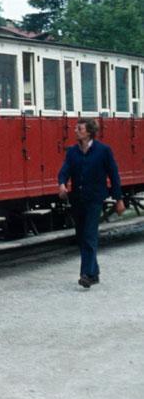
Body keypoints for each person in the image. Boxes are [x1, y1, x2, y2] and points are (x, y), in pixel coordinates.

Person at [58, 118, 125, 288]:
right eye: (76, 128)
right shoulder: (72, 152)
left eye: (79, 128)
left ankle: (86, 274)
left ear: (88, 132)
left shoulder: (103, 151)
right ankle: (94, 273)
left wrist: (119, 199)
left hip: (95, 199)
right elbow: (64, 171)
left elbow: (114, 175)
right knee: (81, 237)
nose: (75, 131)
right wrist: (62, 184)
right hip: (77, 199)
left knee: (89, 235)